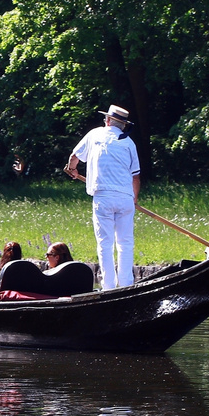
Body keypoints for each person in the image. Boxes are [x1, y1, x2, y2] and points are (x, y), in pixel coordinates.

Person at [65, 105, 141, 289]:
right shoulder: (129, 143)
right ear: (122, 125)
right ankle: (126, 285)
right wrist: (134, 199)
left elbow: (74, 157)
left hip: (103, 197)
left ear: (107, 120)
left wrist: (72, 169)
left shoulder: (94, 135)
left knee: (105, 243)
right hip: (125, 197)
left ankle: (108, 287)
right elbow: (136, 176)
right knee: (125, 243)